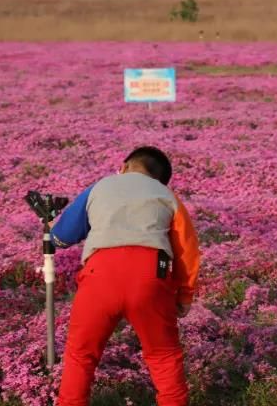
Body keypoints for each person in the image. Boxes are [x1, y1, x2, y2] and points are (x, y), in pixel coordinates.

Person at [51, 146, 201, 406]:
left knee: (81, 355)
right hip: (151, 276)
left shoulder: (100, 187)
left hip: (100, 275)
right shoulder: (167, 196)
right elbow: (187, 251)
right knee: (163, 355)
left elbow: (62, 237)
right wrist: (185, 295)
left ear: (124, 165)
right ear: (159, 179)